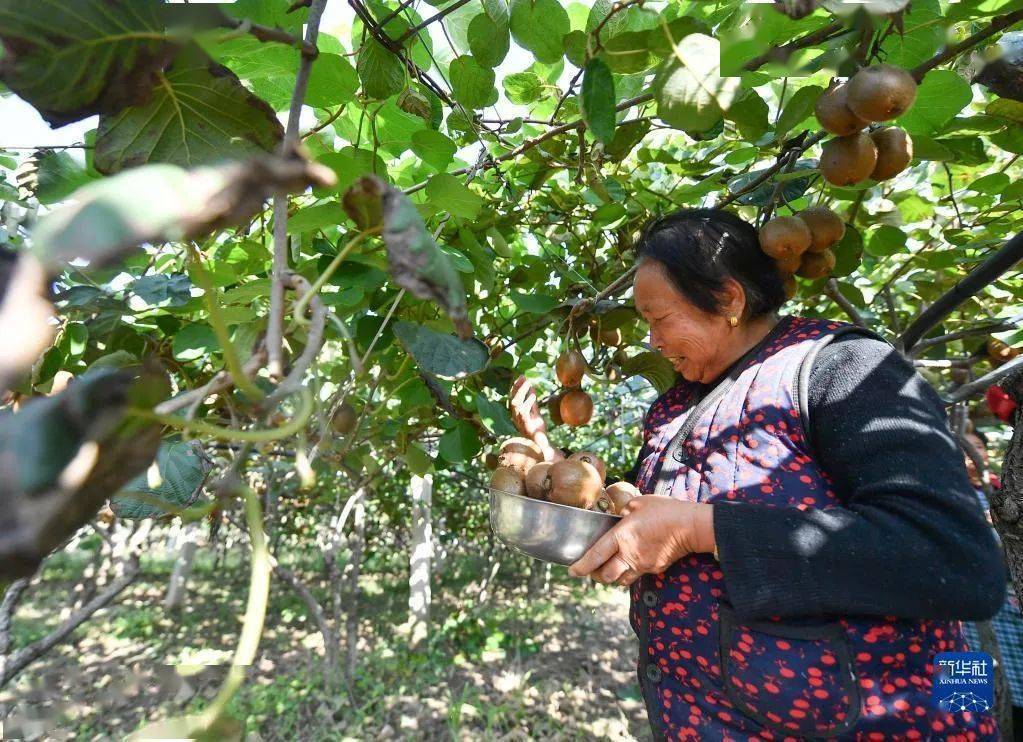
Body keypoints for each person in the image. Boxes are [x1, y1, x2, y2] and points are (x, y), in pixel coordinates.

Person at [509, 208, 1007, 740]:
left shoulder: (848, 368)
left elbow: (959, 563)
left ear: (728, 299)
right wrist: (541, 446)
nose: (651, 341)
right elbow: (635, 512)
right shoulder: (675, 407)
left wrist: (701, 529)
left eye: (659, 318)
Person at [959, 430, 1023, 732]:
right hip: (963, 611)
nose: (975, 452)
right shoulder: (943, 494)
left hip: (1009, 609)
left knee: (1015, 697)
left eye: (979, 446)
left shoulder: (1002, 492)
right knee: (965, 707)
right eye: (965, 447)